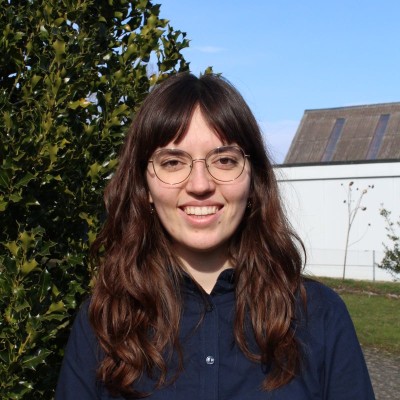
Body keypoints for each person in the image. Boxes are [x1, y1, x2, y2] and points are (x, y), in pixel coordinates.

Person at [56, 73, 375, 399]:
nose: (200, 185)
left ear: (253, 179)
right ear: (144, 186)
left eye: (224, 160)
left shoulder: (320, 317)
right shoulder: (104, 325)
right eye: (172, 162)